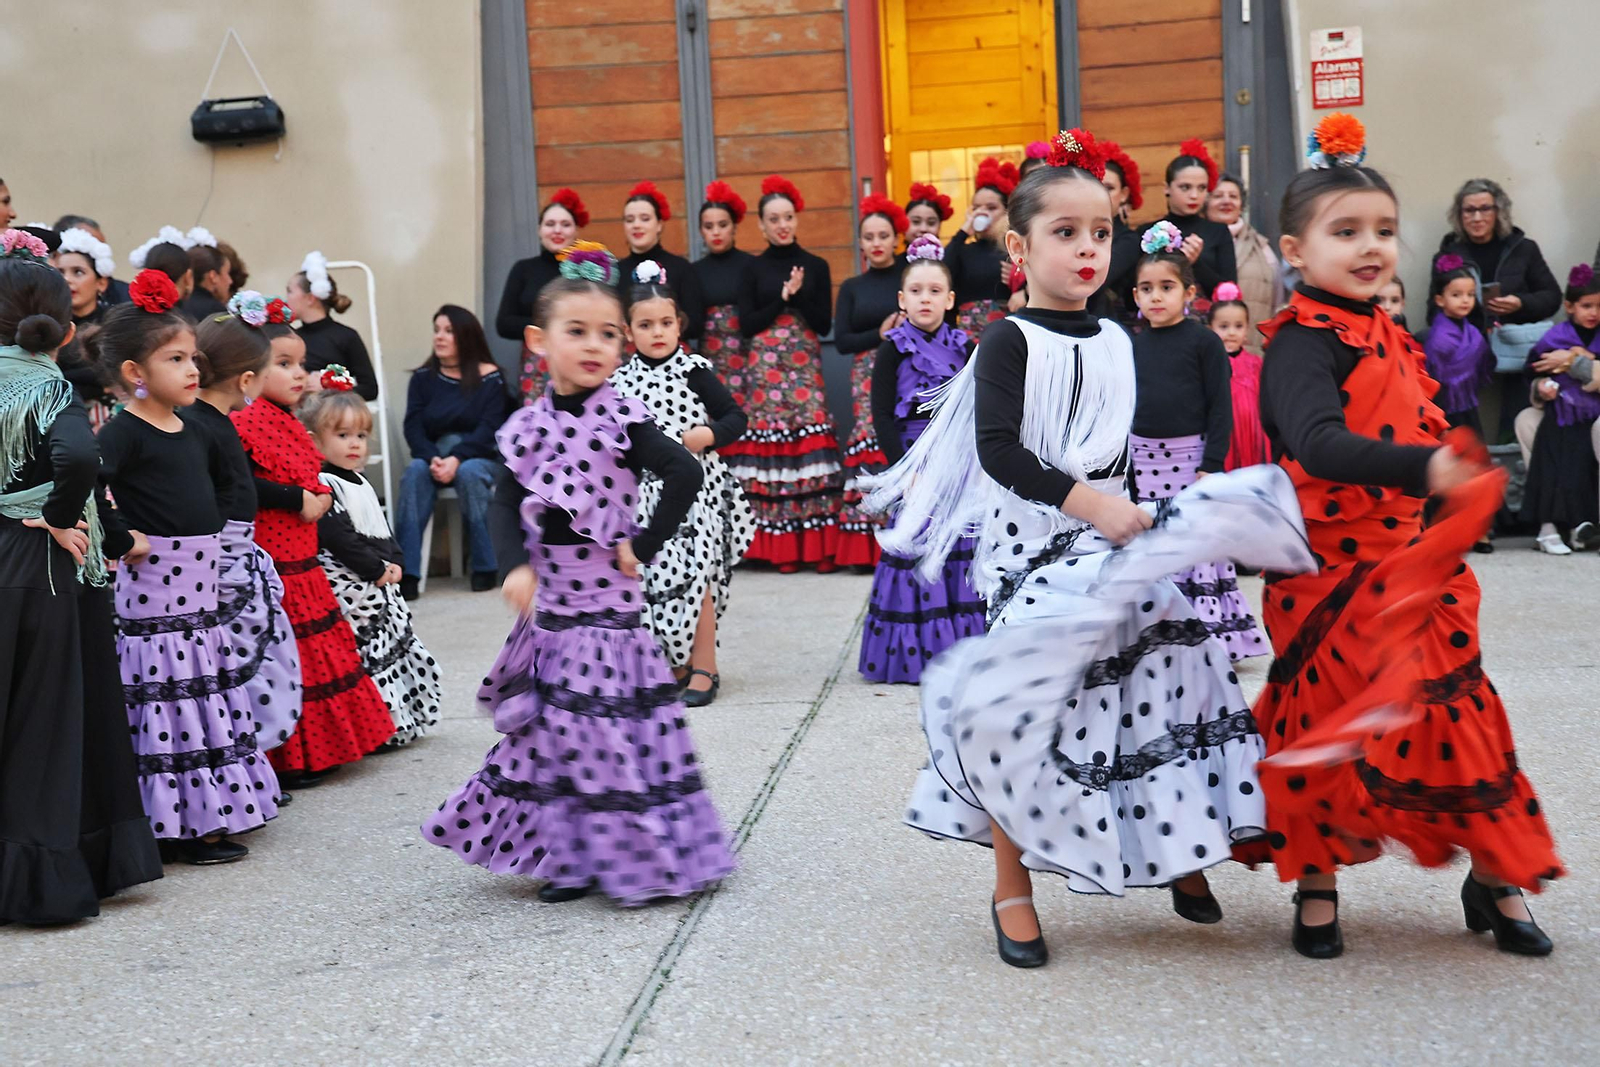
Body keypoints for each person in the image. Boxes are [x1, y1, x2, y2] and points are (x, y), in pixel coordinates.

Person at [868, 129, 1313, 968]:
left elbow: (1118, 448)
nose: (1085, 248)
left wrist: (1145, 513)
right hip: (1030, 549)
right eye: (1064, 232)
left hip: (1106, 534)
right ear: (1019, 246)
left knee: (1181, 659)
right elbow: (1000, 449)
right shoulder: (1006, 340)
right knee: (1020, 704)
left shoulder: (1115, 337)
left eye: (1100, 232)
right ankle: (1012, 886)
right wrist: (1094, 506)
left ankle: (1178, 843)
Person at [1254, 113, 1561, 960]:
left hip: (1415, 571)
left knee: (1457, 712)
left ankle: (1497, 874)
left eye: (1383, 230)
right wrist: (1427, 468)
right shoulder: (1299, 344)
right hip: (1329, 576)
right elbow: (1316, 443)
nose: (1370, 247)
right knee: (1327, 724)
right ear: (1294, 248)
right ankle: (1317, 881)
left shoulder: (1386, 330)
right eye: (1344, 231)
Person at [422, 245, 736, 906]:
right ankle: (565, 854)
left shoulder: (623, 417)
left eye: (607, 333)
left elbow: (681, 469)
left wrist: (643, 542)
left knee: (604, 733)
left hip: (609, 615)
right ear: (538, 342)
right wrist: (513, 565)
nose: (594, 345)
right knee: (556, 738)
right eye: (577, 331)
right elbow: (506, 499)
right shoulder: (528, 426)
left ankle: (627, 852)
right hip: (553, 611)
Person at [91, 270, 283, 864]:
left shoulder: (192, 426)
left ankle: (211, 812)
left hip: (197, 590)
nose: (192, 369)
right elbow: (90, 485)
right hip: (155, 594)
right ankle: (179, 825)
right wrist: (122, 538)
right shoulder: (126, 433)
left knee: (204, 698)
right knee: (171, 703)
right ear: (134, 374)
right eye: (175, 359)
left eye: (192, 357)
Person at [0, 231, 161, 922]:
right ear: (66, 328)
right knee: (48, 723)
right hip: (45, 570)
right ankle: (42, 879)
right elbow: (78, 461)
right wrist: (53, 512)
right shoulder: (47, 383)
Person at [232, 317, 395, 786]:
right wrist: (299, 499)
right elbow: (247, 486)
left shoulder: (292, 421)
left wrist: (319, 497)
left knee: (321, 653)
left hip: (304, 561)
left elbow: (310, 475)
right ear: (252, 372)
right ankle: (293, 757)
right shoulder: (244, 423)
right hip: (279, 560)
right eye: (284, 364)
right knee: (287, 660)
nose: (299, 373)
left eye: (301, 363)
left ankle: (331, 747)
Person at [611, 262, 753, 706]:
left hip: (698, 492)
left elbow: (735, 416)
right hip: (647, 496)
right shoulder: (619, 380)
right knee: (654, 583)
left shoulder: (693, 369)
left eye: (666, 323)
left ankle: (704, 663)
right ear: (628, 331)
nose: (658, 332)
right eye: (646, 324)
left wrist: (709, 434)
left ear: (679, 325)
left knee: (699, 576)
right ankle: (671, 661)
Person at [1130, 221, 1268, 661]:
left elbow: (1219, 408)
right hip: (1144, 462)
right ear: (1135, 296)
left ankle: (1208, 638)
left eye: (1166, 287)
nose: (1156, 296)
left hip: (1191, 462)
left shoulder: (1205, 343)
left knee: (1195, 547)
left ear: (1189, 293)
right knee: (1157, 544)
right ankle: (1161, 635)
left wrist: (1211, 462)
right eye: (1146, 288)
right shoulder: (1130, 345)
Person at [859, 235, 985, 684]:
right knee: (915, 543)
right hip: (912, 458)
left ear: (950, 299)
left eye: (935, 291)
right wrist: (903, 471)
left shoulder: (966, 346)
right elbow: (881, 412)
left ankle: (961, 648)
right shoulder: (893, 347)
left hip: (956, 461)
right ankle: (913, 655)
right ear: (901, 299)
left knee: (957, 545)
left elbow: (975, 408)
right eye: (916, 291)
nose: (925, 299)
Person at [185, 298, 304, 766]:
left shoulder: (207, 422)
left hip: (233, 553)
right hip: (220, 560)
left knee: (252, 664)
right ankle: (245, 760)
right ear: (247, 380)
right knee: (242, 666)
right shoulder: (207, 425)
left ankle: (252, 763)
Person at [303, 385, 441, 745]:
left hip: (378, 578)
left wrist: (396, 562)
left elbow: (382, 528)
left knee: (392, 650)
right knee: (365, 655)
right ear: (316, 442)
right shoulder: (326, 484)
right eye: (343, 435)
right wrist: (378, 571)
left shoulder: (361, 481)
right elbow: (341, 539)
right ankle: (374, 728)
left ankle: (401, 720)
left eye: (361, 435)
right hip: (354, 586)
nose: (355, 444)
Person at [724, 175, 841, 572]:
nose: (782, 225)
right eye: (773, 219)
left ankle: (816, 548)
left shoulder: (816, 265)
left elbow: (823, 324)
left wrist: (801, 294)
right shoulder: (752, 269)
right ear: (761, 225)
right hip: (765, 370)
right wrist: (783, 296)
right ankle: (778, 552)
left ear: (797, 218)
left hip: (804, 368)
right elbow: (746, 324)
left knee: (808, 450)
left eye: (788, 217)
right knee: (773, 456)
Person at [394, 304, 513, 598]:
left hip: (481, 458)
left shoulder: (491, 378)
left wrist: (457, 458)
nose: (440, 337)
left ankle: (487, 566)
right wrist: (433, 457)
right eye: (437, 330)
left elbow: (491, 429)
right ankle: (405, 570)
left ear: (466, 335)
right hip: (433, 456)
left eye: (448, 331)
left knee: (471, 473)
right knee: (414, 474)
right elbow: (413, 426)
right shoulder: (423, 378)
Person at [833, 195, 910, 569]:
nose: (877, 243)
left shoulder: (910, 278)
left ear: (897, 238)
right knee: (870, 441)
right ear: (861, 242)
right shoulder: (852, 286)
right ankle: (866, 547)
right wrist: (878, 334)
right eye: (869, 236)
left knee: (903, 437)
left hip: (908, 369)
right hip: (866, 370)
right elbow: (843, 340)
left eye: (884, 235)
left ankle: (906, 530)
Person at [1518, 264, 1600, 555]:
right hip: (1561, 409)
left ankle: (1575, 524)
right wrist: (1541, 386)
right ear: (1569, 307)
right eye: (1586, 306)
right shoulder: (1556, 337)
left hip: (1591, 412)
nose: (1593, 313)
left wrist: (1579, 360)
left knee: (1574, 456)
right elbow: (1532, 367)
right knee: (1551, 449)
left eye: (1599, 307)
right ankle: (1550, 525)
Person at [496, 187, 588, 399]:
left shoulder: (587, 271)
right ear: (539, 230)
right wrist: (550, 328)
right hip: (537, 364)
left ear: (576, 231)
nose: (557, 230)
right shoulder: (523, 269)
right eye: (550, 224)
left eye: (565, 225)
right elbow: (504, 323)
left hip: (580, 360)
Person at [1438, 178, 1562, 329]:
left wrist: (1521, 303)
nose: (1477, 218)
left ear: (1498, 212)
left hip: (1516, 340)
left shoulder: (1524, 249)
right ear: (1459, 215)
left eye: (1485, 209)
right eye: (1469, 210)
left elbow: (1552, 297)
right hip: (1469, 342)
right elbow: (1434, 310)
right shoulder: (1448, 255)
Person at [616, 181, 705, 343]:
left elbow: (696, 323)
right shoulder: (615, 272)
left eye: (645, 219)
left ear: (659, 224)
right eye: (629, 220)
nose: (636, 225)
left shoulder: (681, 268)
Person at [286, 250, 379, 401]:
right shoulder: (292, 337)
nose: (286, 299)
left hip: (331, 415)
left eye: (290, 292)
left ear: (310, 298)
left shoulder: (346, 336)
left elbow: (370, 389)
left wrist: (330, 387)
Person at [692, 181, 754, 397]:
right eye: (709, 227)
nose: (716, 232)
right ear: (701, 231)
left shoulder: (753, 266)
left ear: (734, 226)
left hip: (750, 359)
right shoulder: (694, 272)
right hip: (709, 360)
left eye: (723, 225)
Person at [945, 157, 1017, 342]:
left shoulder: (1015, 249)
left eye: (991, 208)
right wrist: (963, 231)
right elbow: (942, 271)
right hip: (968, 336)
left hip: (1006, 334)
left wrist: (1019, 283)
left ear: (1006, 211)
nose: (982, 212)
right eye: (976, 208)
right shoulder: (963, 251)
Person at [1206, 171, 1284, 325]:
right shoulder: (1193, 243)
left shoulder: (1261, 247)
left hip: (1252, 343)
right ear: (1206, 203)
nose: (1226, 201)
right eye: (1218, 196)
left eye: (1233, 196)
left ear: (1241, 206)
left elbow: (1278, 300)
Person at [1162, 139, 1236, 298]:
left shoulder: (1218, 231)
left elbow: (1230, 293)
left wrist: (1196, 263)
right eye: (1185, 187)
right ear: (1167, 188)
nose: (1194, 195)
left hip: (1208, 320)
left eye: (1202, 188)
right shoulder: (1149, 233)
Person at [1207, 282, 1268, 470]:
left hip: (1252, 433)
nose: (1231, 333)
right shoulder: (1209, 365)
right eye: (1223, 326)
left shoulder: (1257, 363)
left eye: (1238, 326)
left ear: (1247, 329)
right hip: (1221, 434)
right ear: (1210, 328)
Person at [1091, 140, 1144, 326]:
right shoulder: (1071, 232)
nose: (1101, 194)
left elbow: (1096, 278)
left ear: (1124, 194)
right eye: (1095, 186)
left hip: (1111, 328)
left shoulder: (1129, 240)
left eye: (1109, 188)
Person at [182, 233, 232, 320]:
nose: (230, 281)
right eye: (227, 273)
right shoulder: (217, 314)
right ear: (213, 276)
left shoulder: (174, 306)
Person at [903, 181, 952, 246]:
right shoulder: (889, 256)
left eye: (931, 223)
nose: (923, 229)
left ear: (939, 227)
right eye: (916, 222)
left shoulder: (948, 255)